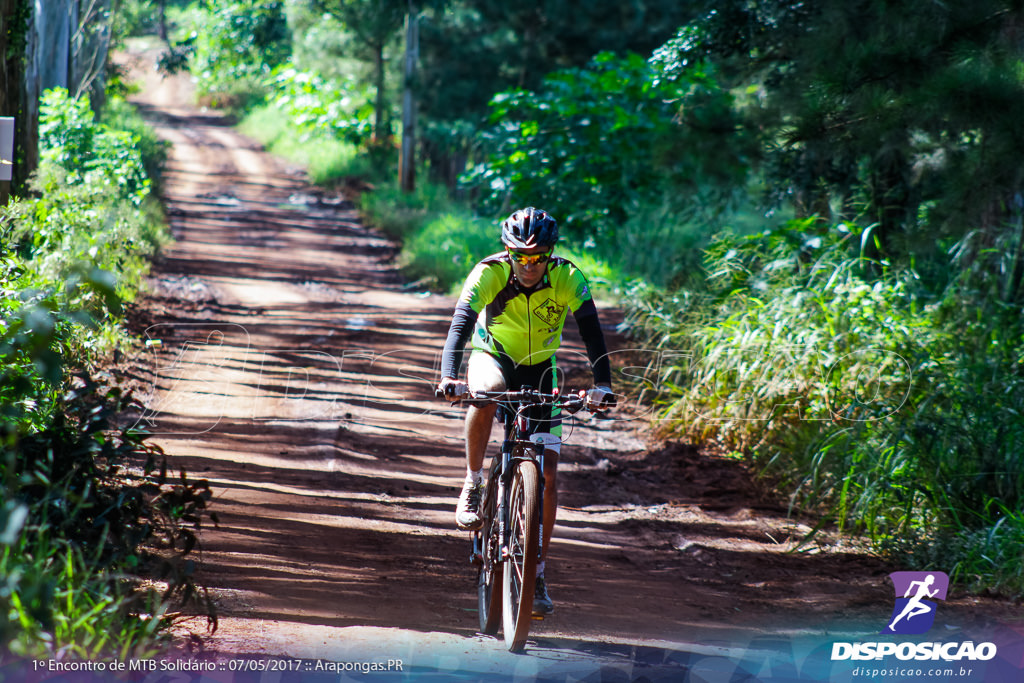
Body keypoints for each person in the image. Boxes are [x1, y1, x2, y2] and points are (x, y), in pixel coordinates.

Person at [436, 206, 614, 617]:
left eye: (537, 258)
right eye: (520, 257)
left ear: (550, 254)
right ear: (507, 251)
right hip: (493, 355)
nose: (529, 265)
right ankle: (474, 480)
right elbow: (460, 325)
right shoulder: (489, 272)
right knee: (487, 391)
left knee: (549, 472)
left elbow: (592, 333)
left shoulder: (569, 277)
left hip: (542, 367)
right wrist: (449, 377)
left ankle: (536, 572)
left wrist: (602, 385)